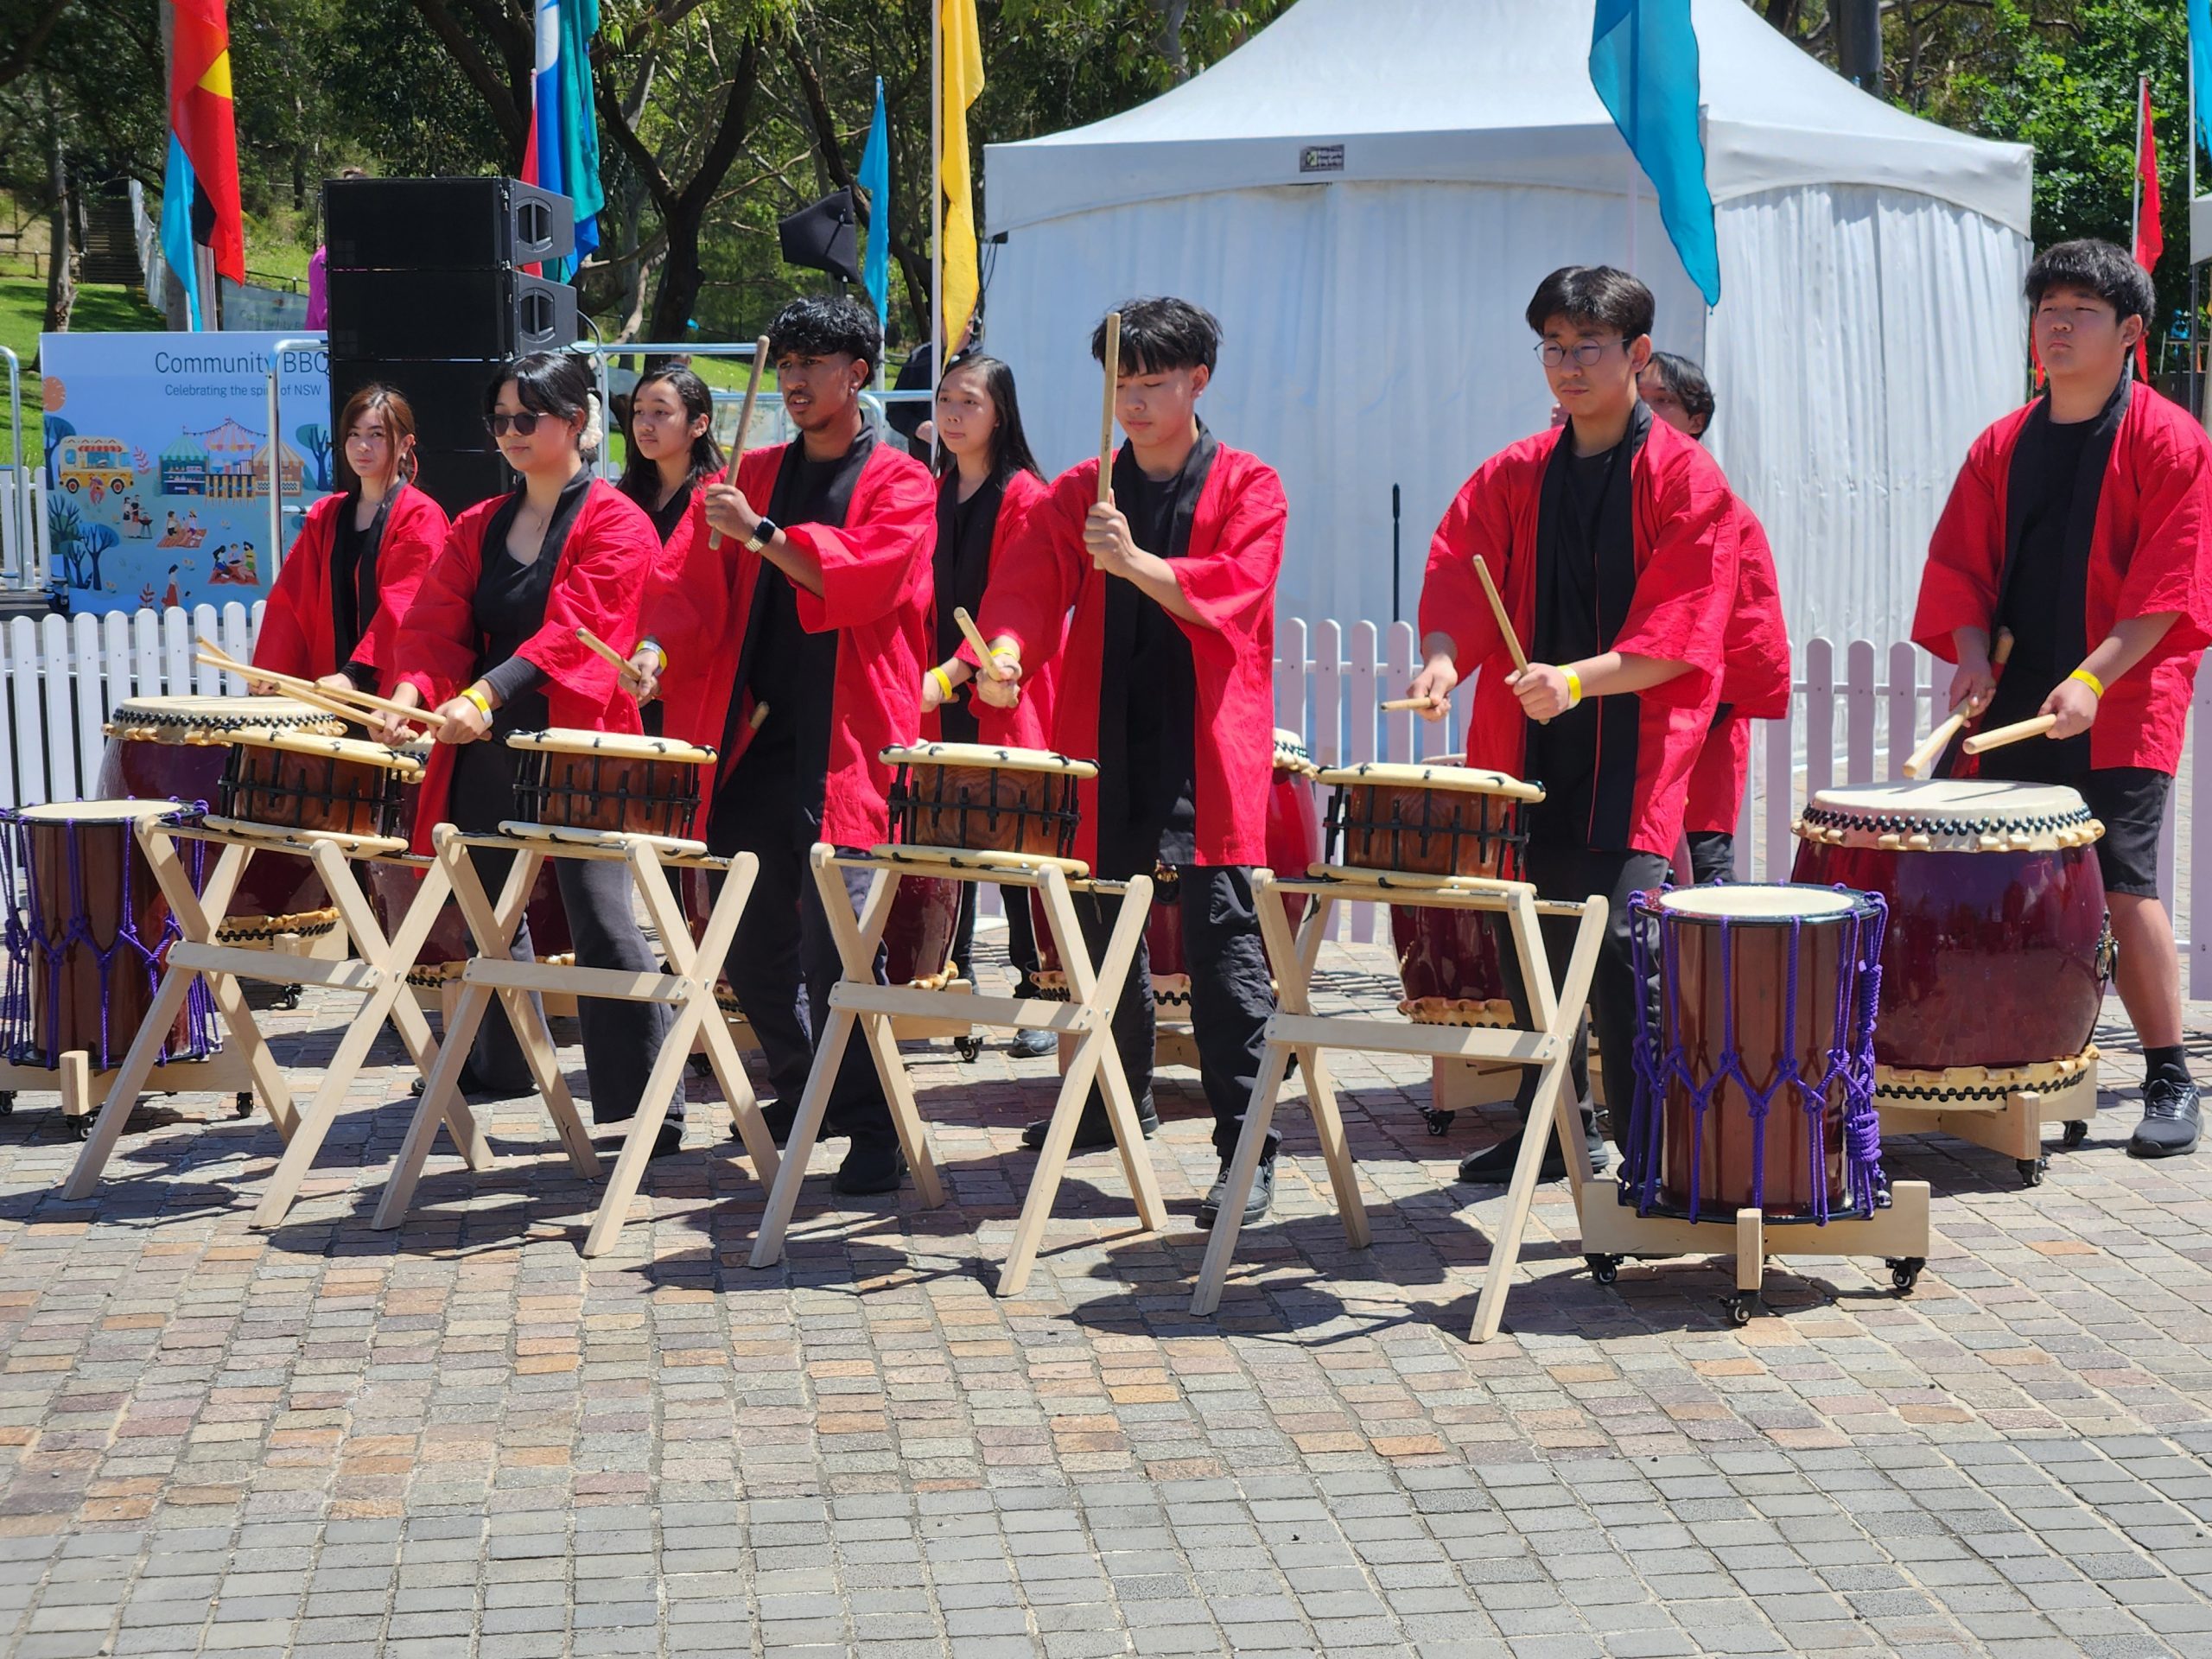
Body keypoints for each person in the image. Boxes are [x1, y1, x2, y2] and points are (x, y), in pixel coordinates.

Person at [1408, 265, 1738, 1185]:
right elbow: (1458, 572)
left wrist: (1575, 681)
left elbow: (1682, 636)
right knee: (1530, 946)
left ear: (1637, 354)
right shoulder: (1516, 472)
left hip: (1632, 751)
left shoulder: (1685, 478)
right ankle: (1553, 1126)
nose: (1568, 365)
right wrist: (1443, 661)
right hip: (1527, 742)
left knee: (1624, 954)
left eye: (1588, 346)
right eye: (1553, 347)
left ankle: (1651, 1161)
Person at [972, 296, 1287, 1225]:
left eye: (1154, 382)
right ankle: (1119, 1098)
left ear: (1199, 381)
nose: (1135, 402)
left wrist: (1137, 561)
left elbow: (1237, 590)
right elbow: (1029, 586)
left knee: (1223, 945)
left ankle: (1246, 1150)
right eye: (1122, 384)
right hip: (1102, 732)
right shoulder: (1084, 488)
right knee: (1102, 933)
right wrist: (1004, 653)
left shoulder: (1250, 484)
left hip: (1204, 739)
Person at [1915, 238, 2212, 1159]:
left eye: (2081, 311)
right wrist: (1970, 658)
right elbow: (1960, 568)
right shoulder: (2000, 444)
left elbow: (2168, 590)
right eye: (2047, 309)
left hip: (2120, 692)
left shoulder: (2169, 439)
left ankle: (2169, 1074)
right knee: (1985, 873)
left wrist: (2090, 678)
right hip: (2011, 694)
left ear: (2129, 332)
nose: (2058, 325)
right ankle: (1995, 1054)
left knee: (2121, 881)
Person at [645, 295, 935, 1195]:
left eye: (815, 363)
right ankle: (814, 1092)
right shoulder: (753, 470)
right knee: (747, 940)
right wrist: (655, 649)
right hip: (756, 736)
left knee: (837, 949)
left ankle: (876, 1128)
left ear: (859, 373)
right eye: (788, 364)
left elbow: (866, 578)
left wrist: (763, 534)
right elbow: (686, 582)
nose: (796, 379)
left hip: (849, 739)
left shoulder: (902, 481)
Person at [372, 353, 682, 1155]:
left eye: (525, 418)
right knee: (488, 917)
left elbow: (578, 628)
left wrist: (482, 697)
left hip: (578, 743)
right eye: (499, 420)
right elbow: (434, 624)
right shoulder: (478, 523)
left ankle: (649, 1102)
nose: (509, 433)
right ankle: (506, 1063)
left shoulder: (618, 521)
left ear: (574, 422)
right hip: (486, 744)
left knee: (602, 918)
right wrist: (409, 695)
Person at [912, 352, 1058, 1057]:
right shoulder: (932, 491)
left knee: (1018, 843)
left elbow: (1018, 601)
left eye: (969, 401)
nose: (953, 413)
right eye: (945, 399)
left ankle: (1040, 989)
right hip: (939, 688)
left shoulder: (1027, 496)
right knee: (948, 837)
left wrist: (956, 674)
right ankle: (954, 983)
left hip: (1003, 684)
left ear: (1001, 413)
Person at [1636, 352, 1789, 883]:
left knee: (1703, 874)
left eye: (1662, 401)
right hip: (1621, 717)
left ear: (1696, 420)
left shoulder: (1721, 507)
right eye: (1640, 399)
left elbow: (1752, 627)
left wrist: (1700, 714)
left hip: (1699, 717)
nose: (1647, 412)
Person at [251, 383, 449, 694]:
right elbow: (292, 599)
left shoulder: (421, 516)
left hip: (392, 691)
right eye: (354, 434)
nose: (362, 446)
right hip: (330, 685)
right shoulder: (326, 514)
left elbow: (404, 607)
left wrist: (354, 674)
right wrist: (271, 671)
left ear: (405, 444)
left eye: (376, 435)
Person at [615, 363, 726, 735]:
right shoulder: (622, 499)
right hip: (627, 668)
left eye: (660, 413)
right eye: (638, 412)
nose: (645, 424)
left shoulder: (720, 502)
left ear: (699, 424)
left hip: (695, 671)